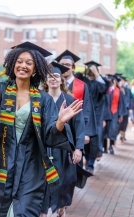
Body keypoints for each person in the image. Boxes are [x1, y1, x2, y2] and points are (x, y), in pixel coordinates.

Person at [0, 41, 82, 216]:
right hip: (4, 164)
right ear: (12, 63)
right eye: (19, 61)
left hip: (32, 167)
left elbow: (50, 135)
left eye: (29, 63)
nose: (23, 65)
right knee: (6, 211)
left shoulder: (43, 99)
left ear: (35, 68)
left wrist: (60, 122)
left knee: (27, 210)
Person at [40, 61, 85, 217]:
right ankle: (44, 210)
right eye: (50, 76)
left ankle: (61, 207)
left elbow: (78, 125)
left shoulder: (70, 100)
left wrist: (78, 148)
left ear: (61, 80)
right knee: (44, 181)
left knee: (65, 180)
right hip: (45, 149)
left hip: (64, 149)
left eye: (56, 76)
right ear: (45, 80)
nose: (53, 79)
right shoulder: (40, 100)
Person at [55, 50, 96, 146]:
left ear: (73, 68)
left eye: (68, 65)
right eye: (62, 64)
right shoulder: (53, 84)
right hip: (57, 129)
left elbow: (87, 110)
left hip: (77, 129)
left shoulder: (82, 86)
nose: (65, 67)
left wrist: (86, 133)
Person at [82, 61, 108, 172]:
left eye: (93, 69)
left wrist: (97, 74)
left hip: (96, 116)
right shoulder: (82, 81)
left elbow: (104, 90)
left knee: (94, 141)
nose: (90, 70)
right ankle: (86, 160)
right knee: (84, 139)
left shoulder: (100, 82)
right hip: (83, 114)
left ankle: (90, 164)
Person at [103, 75, 127, 154]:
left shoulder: (118, 91)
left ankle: (111, 147)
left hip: (114, 114)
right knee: (105, 131)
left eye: (110, 81)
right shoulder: (105, 90)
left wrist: (120, 115)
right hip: (106, 114)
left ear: (113, 82)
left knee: (113, 130)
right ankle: (104, 147)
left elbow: (121, 104)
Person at [116, 74, 132, 142]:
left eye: (122, 81)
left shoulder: (127, 89)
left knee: (124, 123)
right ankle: (118, 136)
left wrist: (128, 107)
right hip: (119, 109)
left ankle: (123, 135)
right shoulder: (118, 89)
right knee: (119, 123)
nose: (122, 82)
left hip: (125, 108)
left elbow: (129, 99)